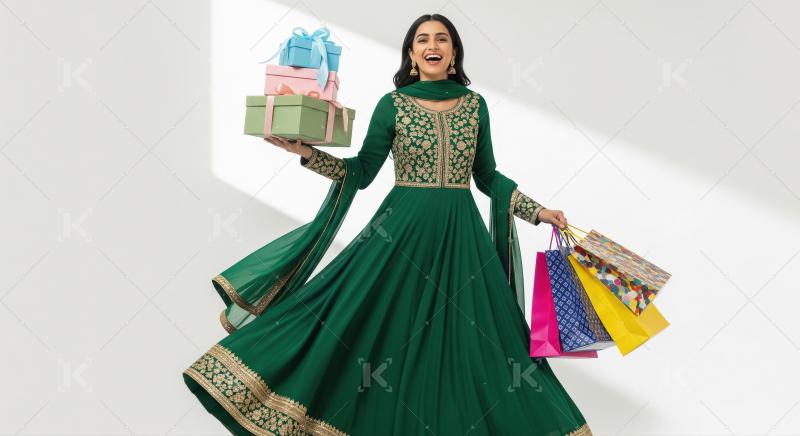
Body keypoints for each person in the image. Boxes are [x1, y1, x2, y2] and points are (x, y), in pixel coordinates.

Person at [183, 13, 592, 436]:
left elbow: (487, 177)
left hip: (462, 243)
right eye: (422, 40)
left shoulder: (475, 106)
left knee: (487, 343)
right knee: (361, 322)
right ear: (412, 55)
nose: (432, 45)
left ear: (453, 53)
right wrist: (307, 154)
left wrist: (537, 211)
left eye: (442, 39)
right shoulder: (392, 105)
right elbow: (361, 171)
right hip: (399, 237)